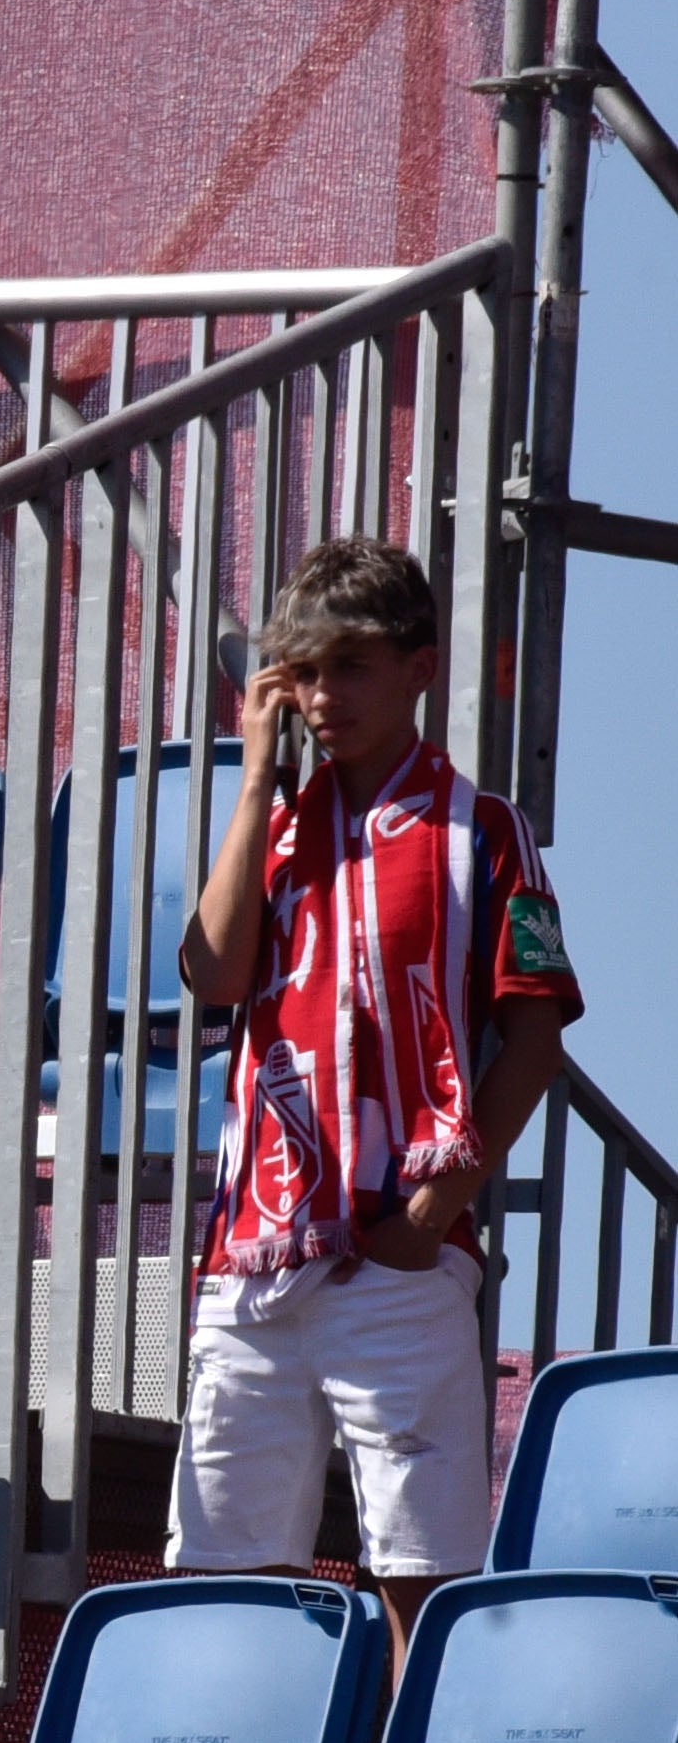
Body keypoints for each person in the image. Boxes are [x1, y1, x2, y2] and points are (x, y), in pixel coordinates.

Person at [171, 536, 579, 1676]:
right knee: (220, 1575)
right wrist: (255, 777)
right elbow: (210, 974)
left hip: (397, 1256)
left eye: (347, 665)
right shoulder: (276, 828)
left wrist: (432, 1207)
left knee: (416, 1576)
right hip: (252, 1258)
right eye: (299, 671)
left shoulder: (479, 828)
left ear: (416, 665)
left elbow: (533, 1035)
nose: (319, 695)